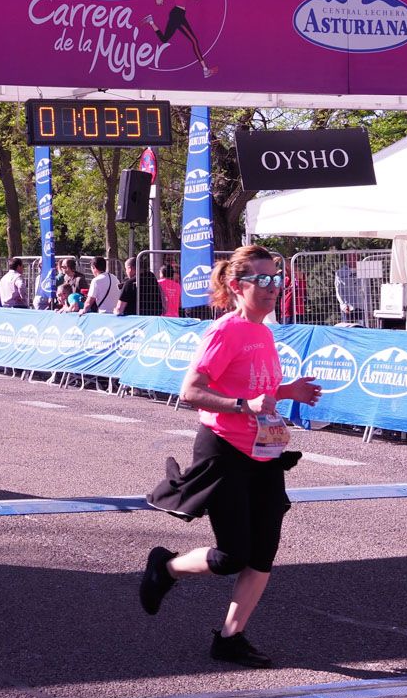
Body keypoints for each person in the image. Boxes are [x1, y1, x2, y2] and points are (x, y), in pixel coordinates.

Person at [140, 245, 322, 665]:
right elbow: (191, 391)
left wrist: (286, 392)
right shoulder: (225, 331)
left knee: (263, 554)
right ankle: (165, 567)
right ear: (238, 286)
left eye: (277, 279)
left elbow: (258, 390)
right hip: (225, 450)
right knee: (232, 555)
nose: (273, 287)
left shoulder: (264, 331)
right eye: (263, 280)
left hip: (265, 454)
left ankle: (230, 637)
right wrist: (245, 406)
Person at [144, 0, 217, 79]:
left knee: (164, 39)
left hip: (180, 14)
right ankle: (205, 69)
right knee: (194, 40)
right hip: (176, 14)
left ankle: (151, 21)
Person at [333, 252, 369, 325]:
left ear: (357, 257)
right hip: (348, 307)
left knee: (361, 328)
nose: (352, 259)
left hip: (361, 305)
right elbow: (338, 290)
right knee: (348, 328)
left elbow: (368, 289)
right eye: (349, 257)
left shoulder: (364, 270)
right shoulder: (340, 272)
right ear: (346, 259)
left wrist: (369, 307)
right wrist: (343, 304)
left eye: (354, 256)